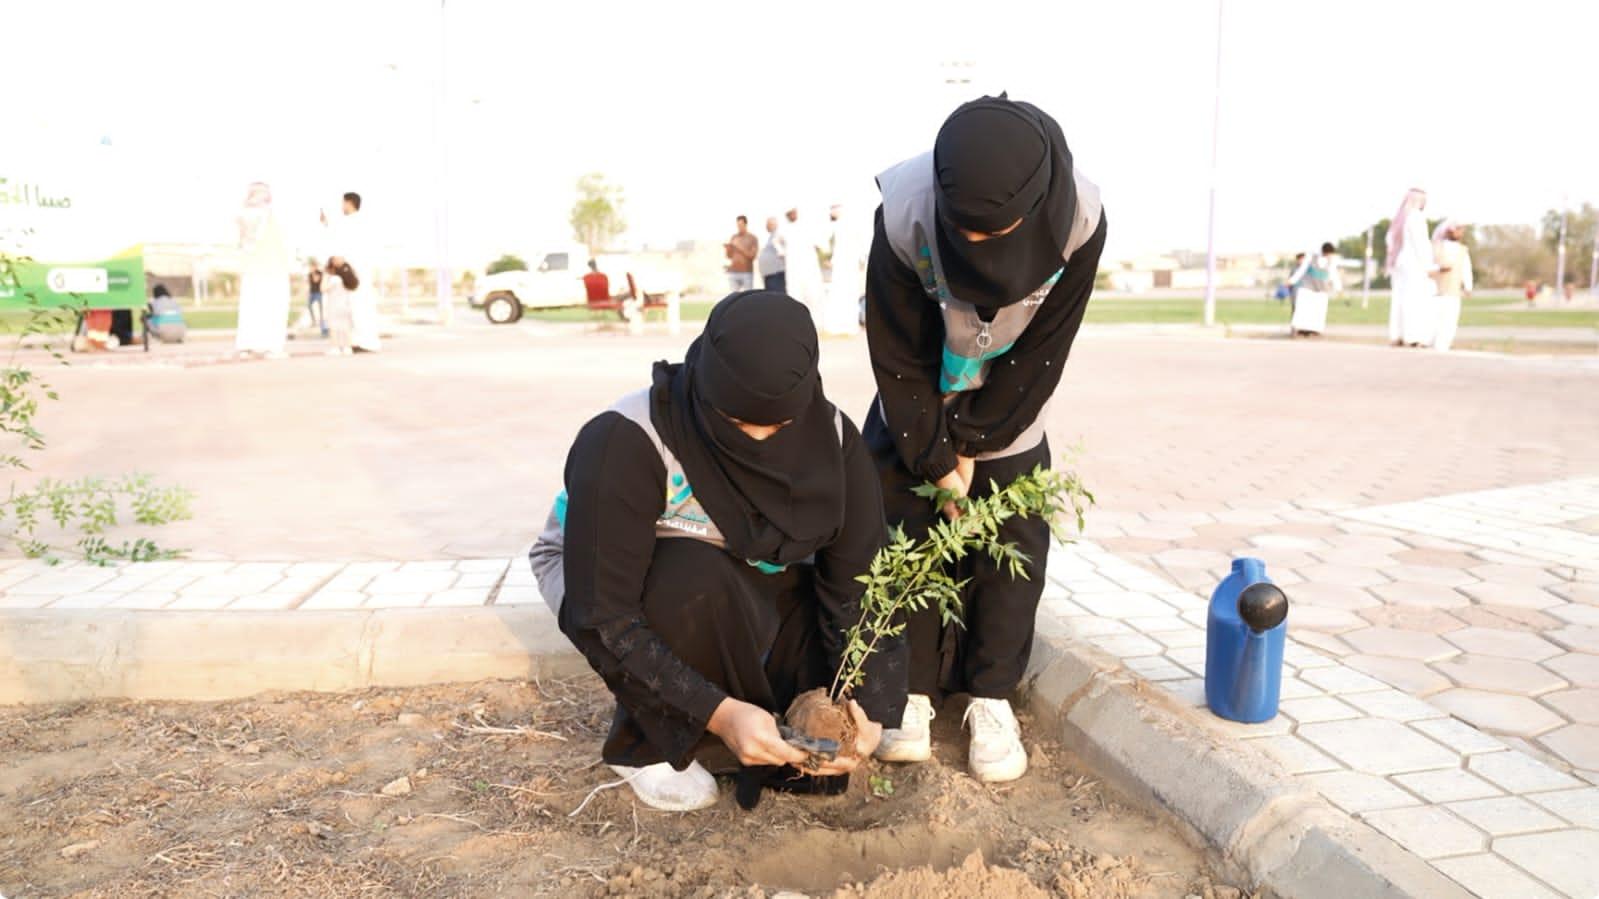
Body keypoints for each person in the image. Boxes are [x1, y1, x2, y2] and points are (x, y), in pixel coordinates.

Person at [527, 291, 906, 811]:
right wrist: (723, 713)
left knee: (812, 772)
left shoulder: (834, 440)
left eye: (777, 426)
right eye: (736, 421)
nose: (755, 437)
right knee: (691, 579)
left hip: (748, 566)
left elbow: (858, 586)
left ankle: (728, 718)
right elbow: (604, 616)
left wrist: (869, 709)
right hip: (619, 576)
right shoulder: (627, 437)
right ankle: (645, 744)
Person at [863, 95, 1106, 783]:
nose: (977, 250)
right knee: (900, 527)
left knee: (1015, 537)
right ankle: (905, 692)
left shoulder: (1080, 219)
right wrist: (936, 457)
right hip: (916, 392)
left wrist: (974, 442)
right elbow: (895, 346)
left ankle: (990, 695)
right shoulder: (903, 211)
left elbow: (1043, 353)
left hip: (1011, 395)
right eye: (963, 235)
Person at [234, 182, 291, 357]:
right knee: (274, 309)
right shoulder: (268, 215)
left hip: (252, 270)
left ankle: (247, 346)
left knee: (250, 309)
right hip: (273, 270)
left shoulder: (242, 215)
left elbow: (243, 243)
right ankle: (272, 347)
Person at [321, 191, 380, 354]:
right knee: (357, 307)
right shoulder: (359, 223)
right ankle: (362, 341)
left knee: (358, 307)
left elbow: (339, 241)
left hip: (356, 272)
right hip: (359, 271)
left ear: (348, 203)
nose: (341, 206)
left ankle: (366, 342)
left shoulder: (353, 223)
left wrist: (327, 224)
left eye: (342, 203)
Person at [1385, 188, 1437, 347]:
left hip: (1399, 263)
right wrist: (1429, 266)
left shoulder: (1400, 219)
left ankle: (1397, 335)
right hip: (1414, 264)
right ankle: (1413, 336)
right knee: (1414, 300)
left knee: (1399, 300)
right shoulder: (1416, 217)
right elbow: (1420, 243)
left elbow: (1389, 241)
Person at [1430, 220, 1471, 352]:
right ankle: (1436, 345)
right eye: (1458, 229)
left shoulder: (1463, 250)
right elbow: (1427, 266)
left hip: (1453, 291)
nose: (1461, 233)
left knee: (1450, 321)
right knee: (1436, 320)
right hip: (1436, 291)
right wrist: (1439, 269)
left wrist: (1468, 287)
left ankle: (1444, 346)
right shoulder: (1436, 247)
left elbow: (1466, 269)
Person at [1286, 242, 1341, 336]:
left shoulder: (1331, 262)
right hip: (1308, 287)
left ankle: (1313, 330)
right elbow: (1301, 270)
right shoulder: (1311, 258)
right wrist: (1291, 281)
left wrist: (1338, 288)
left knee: (1317, 310)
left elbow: (1334, 275)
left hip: (1321, 289)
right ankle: (1298, 329)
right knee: (1303, 309)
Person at [782, 207, 826, 319]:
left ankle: (817, 322)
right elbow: (777, 243)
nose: (791, 215)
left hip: (809, 269)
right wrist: (782, 252)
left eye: (793, 213)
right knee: (795, 297)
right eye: (789, 214)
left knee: (813, 295)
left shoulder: (808, 227)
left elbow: (821, 245)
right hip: (793, 270)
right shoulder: (785, 230)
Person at [724, 216, 759, 292]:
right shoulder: (734, 237)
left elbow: (752, 256)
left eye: (741, 225)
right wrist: (728, 249)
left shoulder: (752, 238)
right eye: (738, 225)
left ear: (746, 224)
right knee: (733, 299)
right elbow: (729, 256)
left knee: (747, 298)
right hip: (733, 272)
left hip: (746, 273)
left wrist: (739, 246)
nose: (739, 227)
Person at [757, 216, 787, 293]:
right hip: (769, 274)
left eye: (768, 224)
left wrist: (782, 253)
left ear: (774, 224)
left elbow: (783, 251)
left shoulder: (779, 235)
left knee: (778, 298)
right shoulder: (771, 237)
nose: (766, 226)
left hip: (776, 274)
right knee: (772, 298)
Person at [307, 263, 327, 338]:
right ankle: (313, 320)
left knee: (320, 308)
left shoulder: (319, 273)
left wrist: (313, 273)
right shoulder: (309, 274)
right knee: (309, 305)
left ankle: (322, 322)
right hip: (312, 292)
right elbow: (309, 283)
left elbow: (316, 280)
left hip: (318, 292)